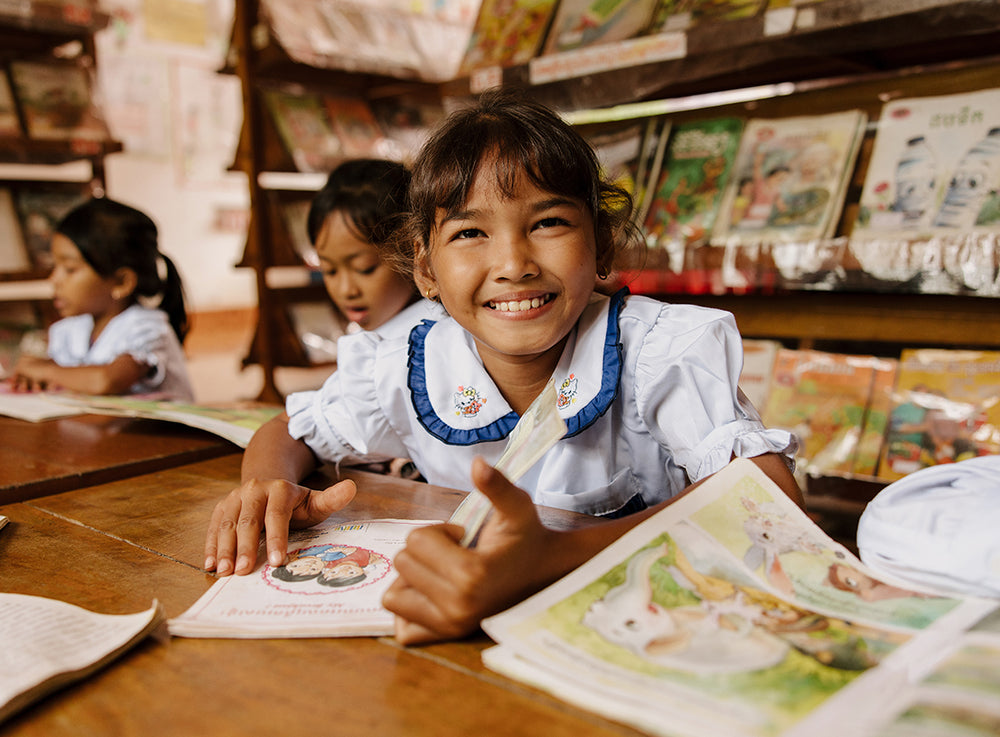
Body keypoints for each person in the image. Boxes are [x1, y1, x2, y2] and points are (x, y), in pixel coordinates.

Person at [203, 90, 802, 641]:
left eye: (548, 223)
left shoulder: (654, 350)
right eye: (470, 233)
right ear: (426, 269)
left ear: (602, 245)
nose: (513, 263)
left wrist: (549, 559)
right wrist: (265, 487)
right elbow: (290, 430)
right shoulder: (408, 363)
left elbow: (769, 494)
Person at [12, 197, 194, 400]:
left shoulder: (147, 328)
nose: (54, 279)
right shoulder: (68, 330)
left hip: (161, 431)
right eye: (54, 266)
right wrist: (36, 376)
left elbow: (106, 381)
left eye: (70, 269)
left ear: (122, 283)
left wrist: (45, 370)